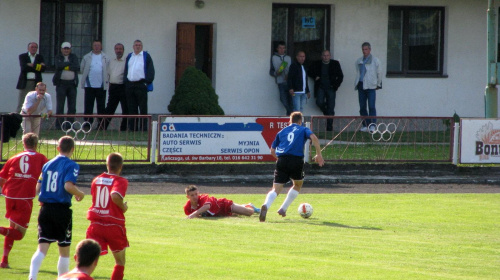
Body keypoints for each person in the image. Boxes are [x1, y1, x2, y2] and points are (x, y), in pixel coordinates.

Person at [29, 136, 85, 280]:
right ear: (72, 149)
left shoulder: (47, 165)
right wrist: (80, 194)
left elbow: (38, 187)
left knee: (42, 248)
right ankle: (62, 278)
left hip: (45, 209)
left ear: (58, 148)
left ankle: (32, 277)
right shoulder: (72, 165)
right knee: (64, 249)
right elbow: (68, 186)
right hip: (61, 210)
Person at [259, 112, 324, 222]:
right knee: (297, 184)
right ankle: (283, 209)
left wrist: (279, 159)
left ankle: (266, 205)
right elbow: (314, 137)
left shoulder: (282, 131)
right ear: (300, 121)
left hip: (282, 159)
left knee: (276, 189)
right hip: (296, 160)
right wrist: (318, 154)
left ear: (290, 121)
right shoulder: (303, 129)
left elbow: (272, 150)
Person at [0, 133, 48, 268]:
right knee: (19, 234)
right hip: (24, 198)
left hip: (9, 196)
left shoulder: (14, 157)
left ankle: (4, 260)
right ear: (36, 144)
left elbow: (1, 178)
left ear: (23, 143)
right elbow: (48, 173)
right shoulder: (41, 158)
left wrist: (8, 189)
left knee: (11, 228)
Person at [86, 152, 129, 280]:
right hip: (113, 225)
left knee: (88, 261)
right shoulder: (120, 180)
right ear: (121, 166)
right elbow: (115, 195)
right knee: (120, 262)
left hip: (96, 225)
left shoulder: (96, 180)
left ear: (107, 165)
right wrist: (123, 207)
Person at [308, 50, 344, 131]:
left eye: (327, 55)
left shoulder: (335, 63)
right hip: (320, 87)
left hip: (331, 88)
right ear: (321, 56)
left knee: (331, 107)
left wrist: (335, 86)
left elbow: (341, 76)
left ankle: (329, 127)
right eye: (324, 55)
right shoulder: (317, 64)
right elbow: (309, 71)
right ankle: (326, 112)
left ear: (330, 56)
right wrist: (315, 76)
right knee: (319, 102)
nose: (326, 57)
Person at [124, 40, 155, 131]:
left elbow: (151, 70)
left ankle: (143, 128)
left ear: (142, 46)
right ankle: (133, 128)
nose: (138, 46)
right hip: (130, 85)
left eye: (139, 45)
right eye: (136, 45)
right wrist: (126, 82)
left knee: (143, 108)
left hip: (141, 85)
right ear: (133, 46)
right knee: (131, 108)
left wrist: (147, 82)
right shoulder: (130, 56)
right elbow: (126, 69)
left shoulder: (146, 56)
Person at [184, 185, 260, 219]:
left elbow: (207, 206)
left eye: (196, 194)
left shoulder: (203, 198)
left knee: (249, 213)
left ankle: (250, 206)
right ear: (188, 197)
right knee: (236, 214)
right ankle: (243, 206)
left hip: (224, 205)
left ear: (198, 193)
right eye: (192, 195)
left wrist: (193, 214)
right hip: (219, 213)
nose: (195, 197)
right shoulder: (187, 207)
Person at [81, 40, 109, 129]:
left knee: (101, 107)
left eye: (98, 45)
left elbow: (108, 70)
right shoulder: (87, 57)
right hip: (89, 86)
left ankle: (100, 125)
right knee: (88, 106)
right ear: (92, 46)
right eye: (95, 45)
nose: (97, 47)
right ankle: (87, 124)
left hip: (101, 86)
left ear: (101, 47)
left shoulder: (106, 57)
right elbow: (82, 69)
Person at [355, 42, 382, 132]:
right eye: (363, 49)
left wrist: (378, 84)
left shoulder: (375, 60)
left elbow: (379, 73)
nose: (364, 51)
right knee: (362, 107)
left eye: (366, 49)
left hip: (371, 86)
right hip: (361, 85)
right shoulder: (359, 60)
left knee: (371, 106)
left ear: (370, 50)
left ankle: (372, 125)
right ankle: (365, 125)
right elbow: (358, 73)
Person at [53, 42, 80, 130]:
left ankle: (69, 126)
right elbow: (58, 66)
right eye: (64, 48)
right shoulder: (58, 57)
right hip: (61, 84)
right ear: (61, 49)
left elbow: (76, 67)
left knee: (72, 107)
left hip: (72, 84)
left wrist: (64, 66)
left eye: (68, 48)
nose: (66, 50)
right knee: (60, 106)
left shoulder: (74, 57)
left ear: (70, 49)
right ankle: (59, 126)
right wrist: (69, 64)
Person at [104, 43, 128, 131]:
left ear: (123, 50)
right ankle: (103, 127)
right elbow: (108, 74)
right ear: (115, 50)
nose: (118, 50)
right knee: (110, 108)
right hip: (113, 87)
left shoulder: (126, 61)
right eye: (117, 49)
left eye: (120, 49)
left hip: (122, 87)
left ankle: (123, 128)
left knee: (125, 109)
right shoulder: (111, 61)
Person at [16, 42, 46, 113]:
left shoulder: (40, 57)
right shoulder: (23, 56)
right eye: (32, 47)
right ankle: (18, 118)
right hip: (25, 82)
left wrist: (32, 65)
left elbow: (43, 69)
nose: (34, 48)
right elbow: (24, 68)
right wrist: (38, 66)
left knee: (35, 100)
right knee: (22, 101)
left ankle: (33, 117)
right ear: (28, 48)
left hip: (36, 82)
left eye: (35, 47)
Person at [270, 41, 292, 116]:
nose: (282, 50)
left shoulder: (288, 58)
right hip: (280, 82)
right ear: (277, 49)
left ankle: (290, 114)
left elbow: (293, 69)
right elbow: (271, 71)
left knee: (291, 99)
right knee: (283, 99)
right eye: (280, 48)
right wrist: (277, 73)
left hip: (289, 82)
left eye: (283, 48)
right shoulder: (273, 58)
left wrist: (289, 76)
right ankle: (290, 112)